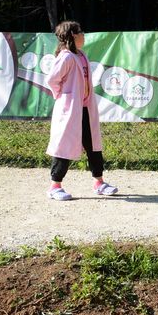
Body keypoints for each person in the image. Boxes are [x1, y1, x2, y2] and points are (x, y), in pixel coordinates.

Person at [45, 21, 118, 201]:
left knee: (93, 145)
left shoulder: (81, 55)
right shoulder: (66, 57)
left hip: (85, 109)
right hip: (70, 110)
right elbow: (52, 80)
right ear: (73, 35)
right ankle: (55, 186)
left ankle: (99, 183)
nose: (84, 35)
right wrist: (64, 96)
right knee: (64, 145)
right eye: (81, 32)